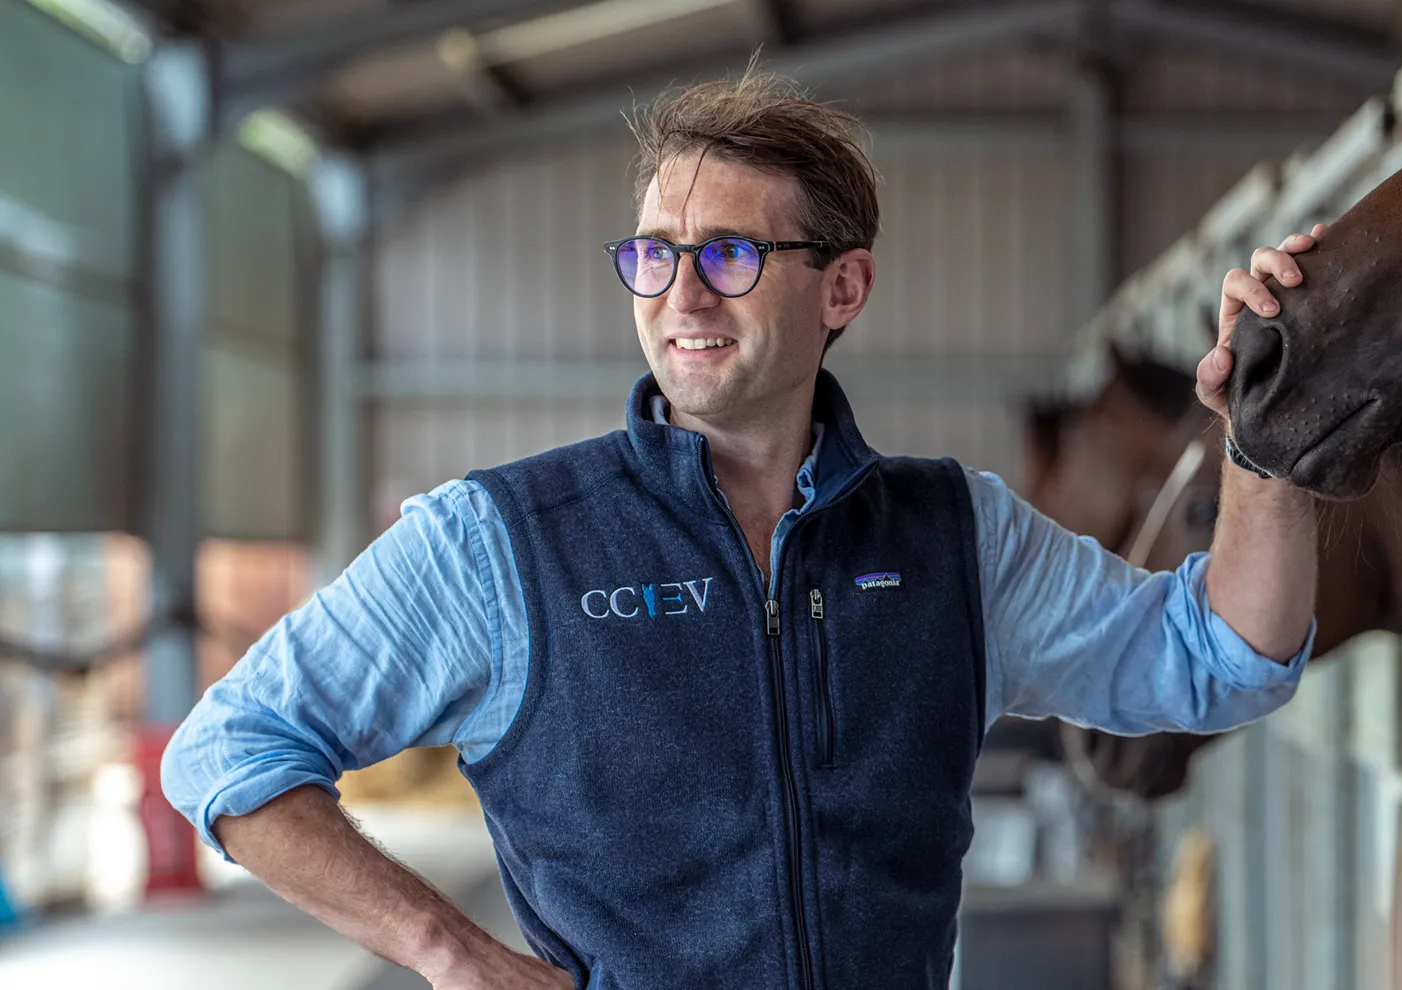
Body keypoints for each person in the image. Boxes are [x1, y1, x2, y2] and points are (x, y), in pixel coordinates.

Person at [162, 69, 1323, 990]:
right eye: (653, 256)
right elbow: (229, 754)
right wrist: (451, 954)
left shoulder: (954, 536)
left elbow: (1224, 660)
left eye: (727, 253)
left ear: (842, 288)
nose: (681, 295)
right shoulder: (501, 545)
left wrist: (1268, 425)